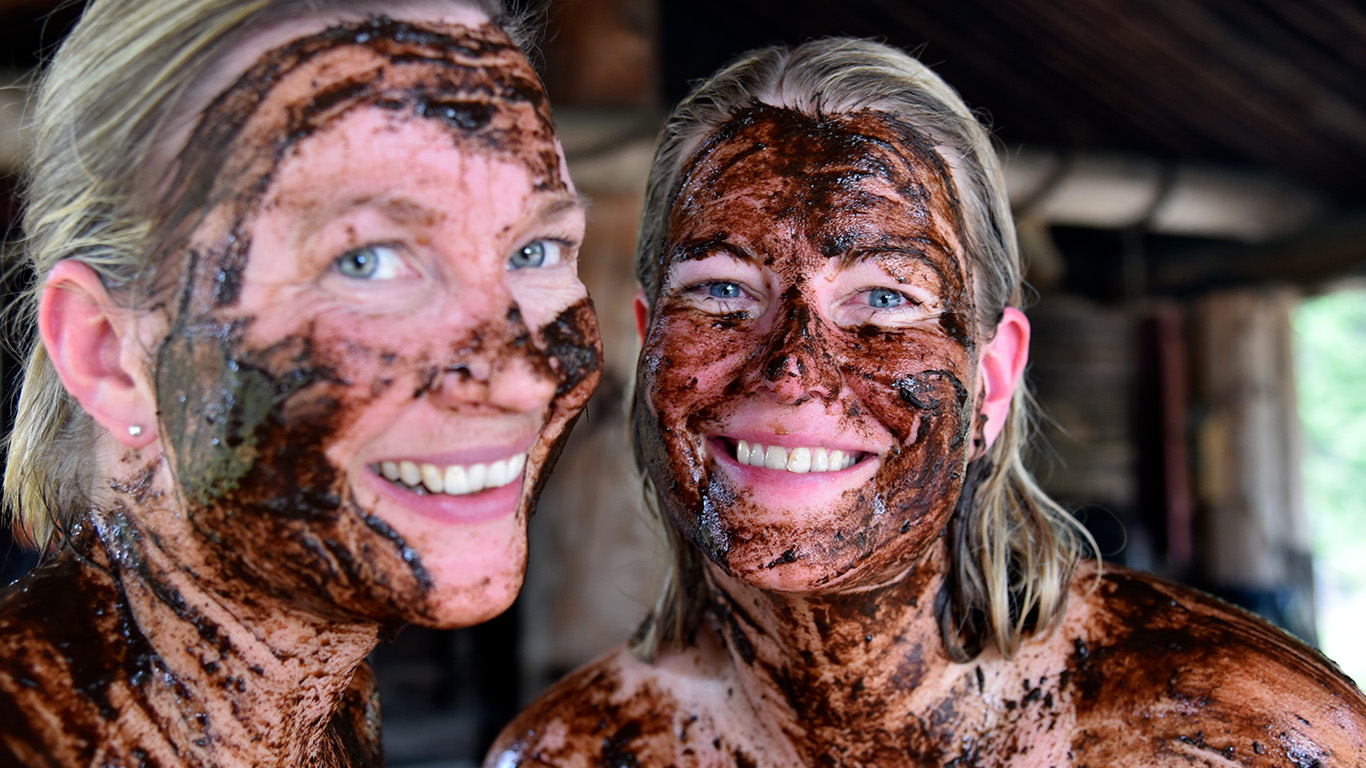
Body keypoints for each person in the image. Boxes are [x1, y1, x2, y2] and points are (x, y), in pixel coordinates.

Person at [490, 37, 1366, 767]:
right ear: (650, 346)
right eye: (722, 291)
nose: (792, 369)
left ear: (992, 378)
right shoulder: (574, 755)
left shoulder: (1237, 739)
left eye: (884, 299)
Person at [0, 0, 601, 764]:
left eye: (535, 250)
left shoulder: (310, 703)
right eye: (366, 261)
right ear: (109, 353)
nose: (525, 377)